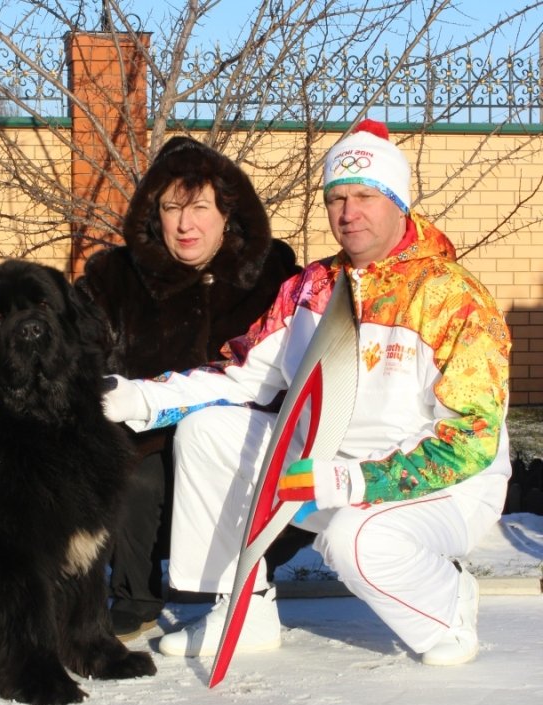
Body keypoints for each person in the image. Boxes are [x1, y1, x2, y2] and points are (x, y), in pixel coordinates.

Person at [102, 119, 511, 665]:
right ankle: (242, 607)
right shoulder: (310, 290)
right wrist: (138, 398)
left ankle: (448, 603)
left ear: (398, 202)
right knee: (209, 431)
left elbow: (472, 439)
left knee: (352, 540)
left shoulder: (451, 298)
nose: (349, 213)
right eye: (337, 198)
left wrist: (359, 479)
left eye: (365, 196)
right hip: (325, 468)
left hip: (438, 488)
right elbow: (242, 375)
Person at [76, 136, 305, 640]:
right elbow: (79, 356)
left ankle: (241, 587)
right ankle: (135, 597)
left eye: (199, 207)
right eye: (170, 207)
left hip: (246, 427)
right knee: (137, 477)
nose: (185, 224)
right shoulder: (113, 277)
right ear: (152, 214)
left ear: (227, 211)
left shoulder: (272, 275)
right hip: (145, 433)